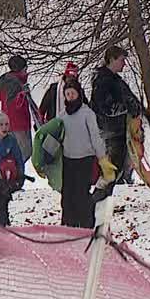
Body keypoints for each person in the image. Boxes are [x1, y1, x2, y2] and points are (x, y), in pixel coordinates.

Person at [91, 46, 150, 188]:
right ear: (112, 60)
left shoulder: (115, 80)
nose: (124, 64)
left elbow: (129, 98)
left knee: (117, 169)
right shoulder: (103, 81)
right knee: (111, 171)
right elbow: (106, 108)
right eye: (122, 60)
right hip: (109, 131)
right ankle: (97, 201)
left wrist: (143, 112)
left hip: (119, 130)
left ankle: (101, 200)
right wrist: (127, 109)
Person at [56, 79, 111, 228]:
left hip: (85, 159)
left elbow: (95, 137)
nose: (70, 96)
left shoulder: (87, 113)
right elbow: (56, 137)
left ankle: (86, 225)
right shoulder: (62, 116)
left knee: (82, 195)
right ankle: (68, 225)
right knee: (67, 195)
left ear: (79, 94)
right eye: (67, 94)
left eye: (73, 93)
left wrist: (102, 159)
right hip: (68, 160)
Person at [0, 55, 39, 168]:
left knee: (17, 153)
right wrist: (22, 94)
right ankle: (12, 176)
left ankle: (11, 176)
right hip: (18, 124)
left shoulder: (8, 82)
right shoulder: (15, 83)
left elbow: (2, 98)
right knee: (24, 152)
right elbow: (14, 104)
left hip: (11, 123)